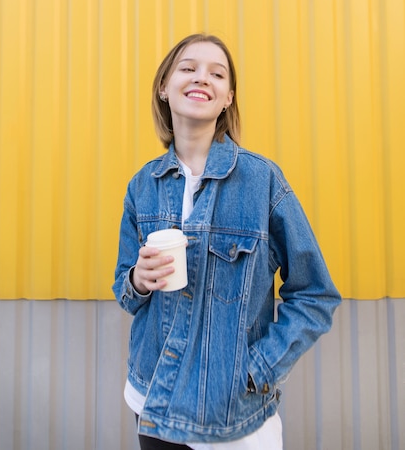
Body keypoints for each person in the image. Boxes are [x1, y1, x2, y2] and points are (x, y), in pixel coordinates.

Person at [113, 33, 341, 450]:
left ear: (227, 98)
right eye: (188, 67)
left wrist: (256, 370)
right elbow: (125, 294)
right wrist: (138, 280)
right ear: (164, 86)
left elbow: (315, 294)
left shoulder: (262, 182)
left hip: (232, 417)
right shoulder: (141, 186)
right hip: (151, 399)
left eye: (217, 73)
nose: (202, 77)